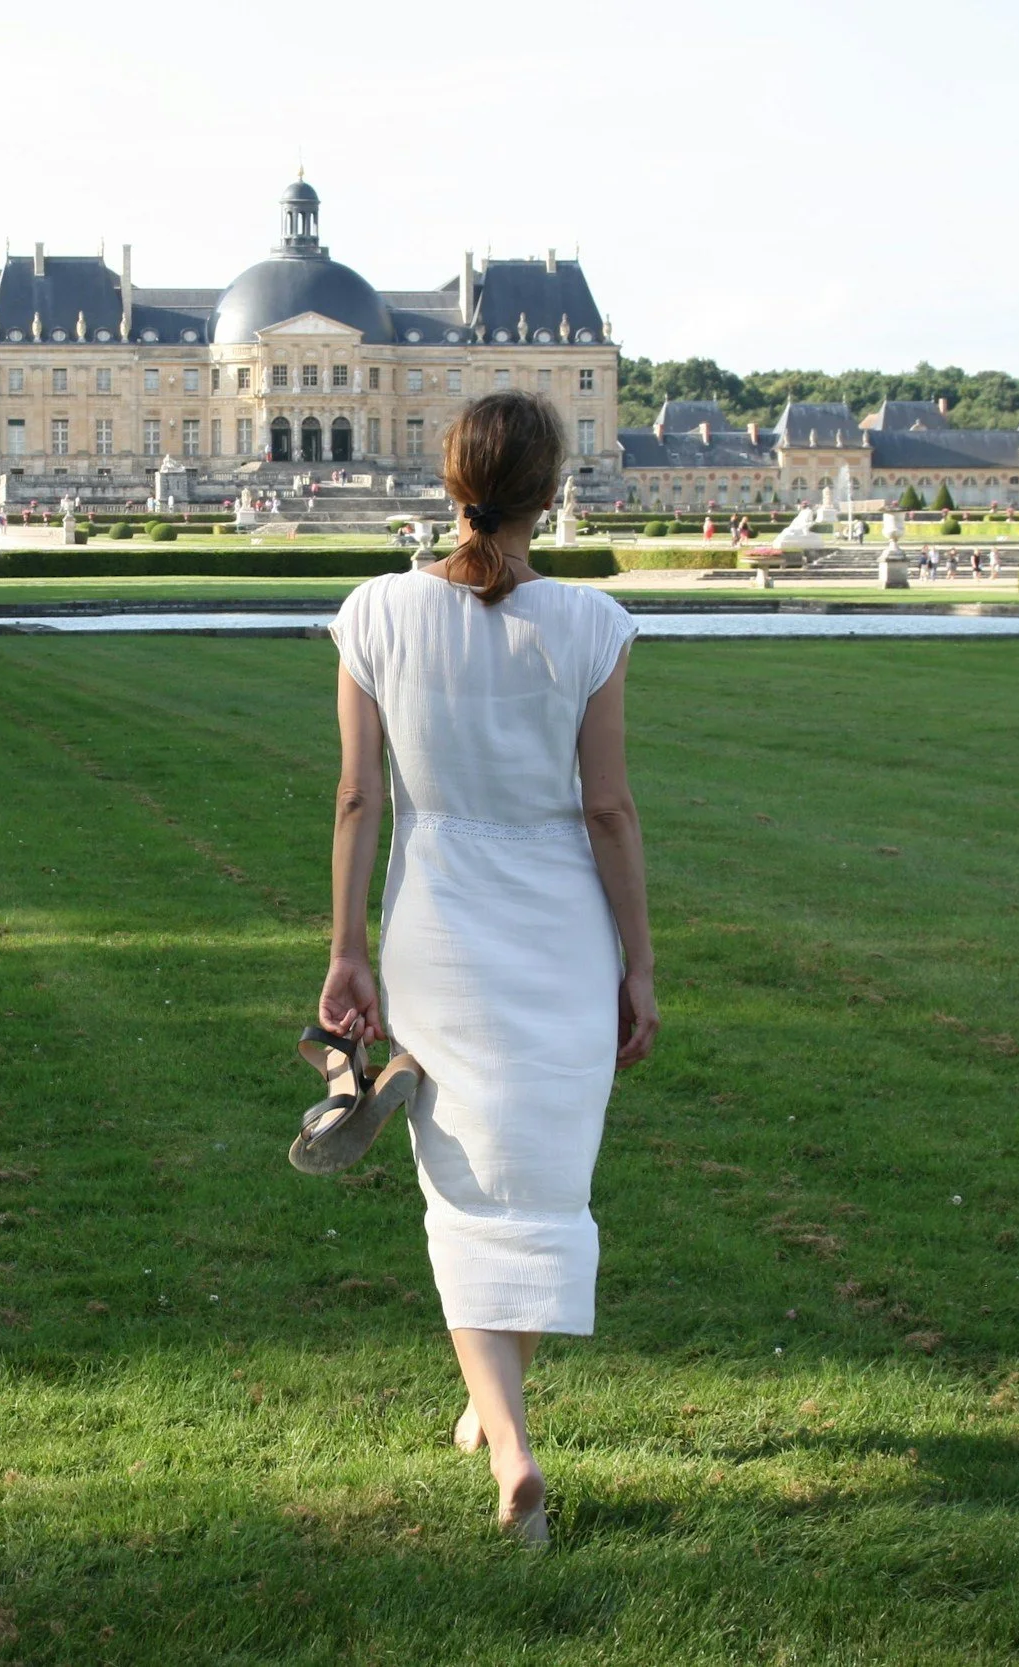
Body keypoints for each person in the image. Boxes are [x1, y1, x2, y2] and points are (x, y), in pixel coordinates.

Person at [314, 390, 658, 1545]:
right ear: (550, 492)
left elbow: (360, 796)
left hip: (436, 913)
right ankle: (503, 1428)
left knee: (461, 1178)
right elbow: (607, 809)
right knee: (537, 1175)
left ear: (447, 479)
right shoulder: (591, 622)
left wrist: (347, 948)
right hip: (557, 916)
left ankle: (499, 1434)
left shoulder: (374, 612)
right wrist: (641, 964)